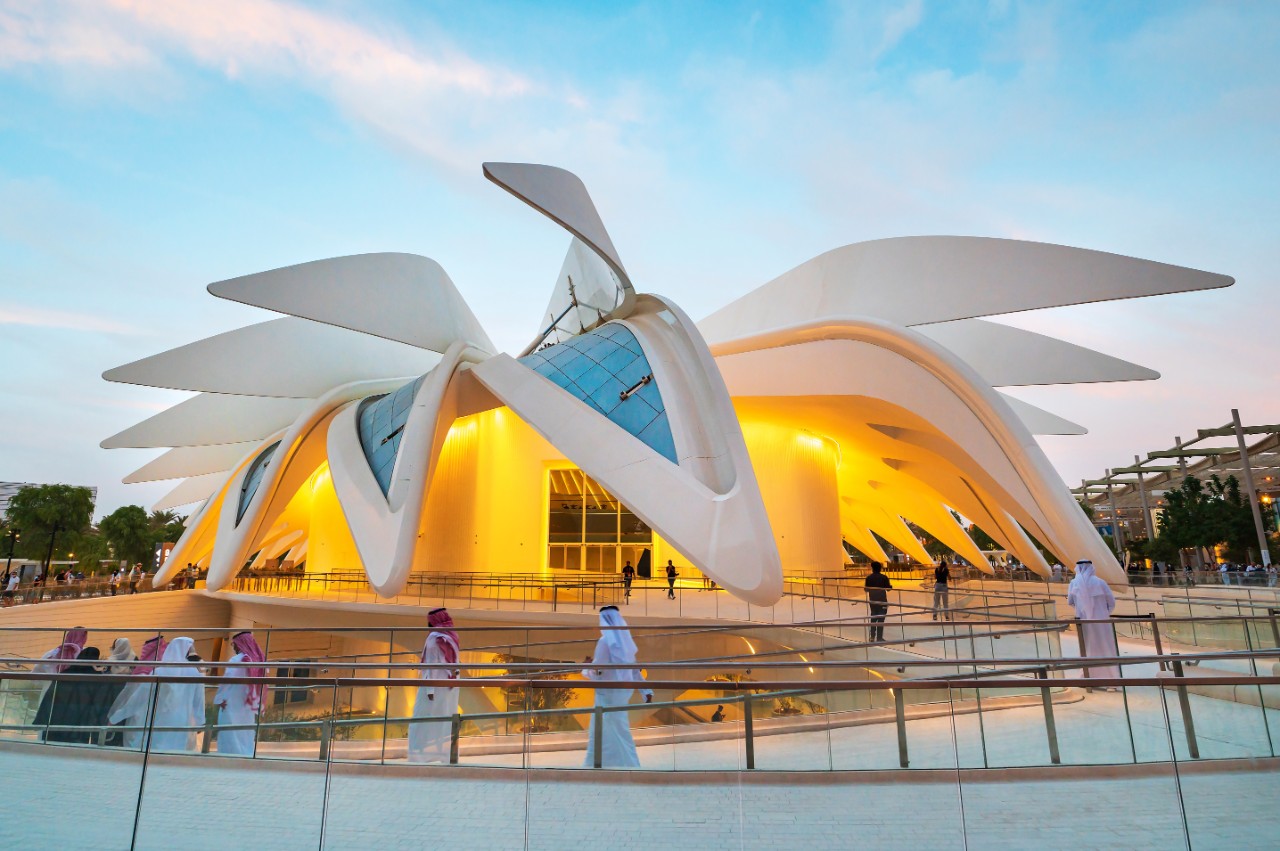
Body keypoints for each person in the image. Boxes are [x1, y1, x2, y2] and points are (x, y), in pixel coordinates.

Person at [583, 606, 653, 768]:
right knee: (621, 729)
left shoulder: (604, 642)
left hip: (605, 694)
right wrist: (646, 691)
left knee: (602, 729)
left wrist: (586, 667)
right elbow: (634, 670)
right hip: (621, 694)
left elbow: (598, 671)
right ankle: (629, 763)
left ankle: (599, 764)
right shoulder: (625, 642)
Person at [408, 608, 461, 764]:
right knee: (445, 718)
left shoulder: (433, 638)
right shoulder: (451, 635)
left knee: (420, 720)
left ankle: (418, 756)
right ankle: (444, 755)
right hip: (450, 685)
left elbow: (430, 666)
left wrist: (429, 690)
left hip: (433, 688)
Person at [33, 646, 115, 744]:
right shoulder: (97, 679)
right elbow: (98, 706)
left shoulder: (64, 674)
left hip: (57, 723)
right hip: (78, 729)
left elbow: (49, 698)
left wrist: (41, 720)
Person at [1067, 560, 1120, 687]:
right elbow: (1111, 602)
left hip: (1083, 621)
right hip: (1101, 621)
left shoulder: (1074, 583)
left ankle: (1087, 678)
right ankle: (1111, 680)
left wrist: (1082, 609)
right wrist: (1103, 612)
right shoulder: (1100, 582)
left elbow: (1070, 602)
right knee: (1105, 647)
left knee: (1088, 648)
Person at [108, 635, 166, 749]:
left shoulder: (143, 675)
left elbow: (132, 703)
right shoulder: (164, 673)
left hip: (139, 723)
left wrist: (113, 719)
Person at [214, 631, 267, 756]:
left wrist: (219, 698)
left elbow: (227, 681)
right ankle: (246, 754)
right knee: (245, 732)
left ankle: (230, 755)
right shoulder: (257, 660)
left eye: (234, 645)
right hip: (248, 703)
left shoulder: (237, 660)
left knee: (230, 730)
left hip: (232, 702)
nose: (234, 648)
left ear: (240, 644)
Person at [149, 637, 206, 752]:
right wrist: (200, 721)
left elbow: (146, 698)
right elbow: (198, 700)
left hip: (160, 719)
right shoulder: (193, 672)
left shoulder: (158, 671)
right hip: (183, 719)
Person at [864, 563, 892, 642]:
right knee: (881, 619)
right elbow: (888, 589)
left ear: (872, 568)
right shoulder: (884, 577)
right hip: (882, 600)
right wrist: (890, 587)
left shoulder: (869, 578)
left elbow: (866, 589)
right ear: (880, 568)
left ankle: (872, 636)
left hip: (872, 600)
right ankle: (879, 637)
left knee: (873, 618)